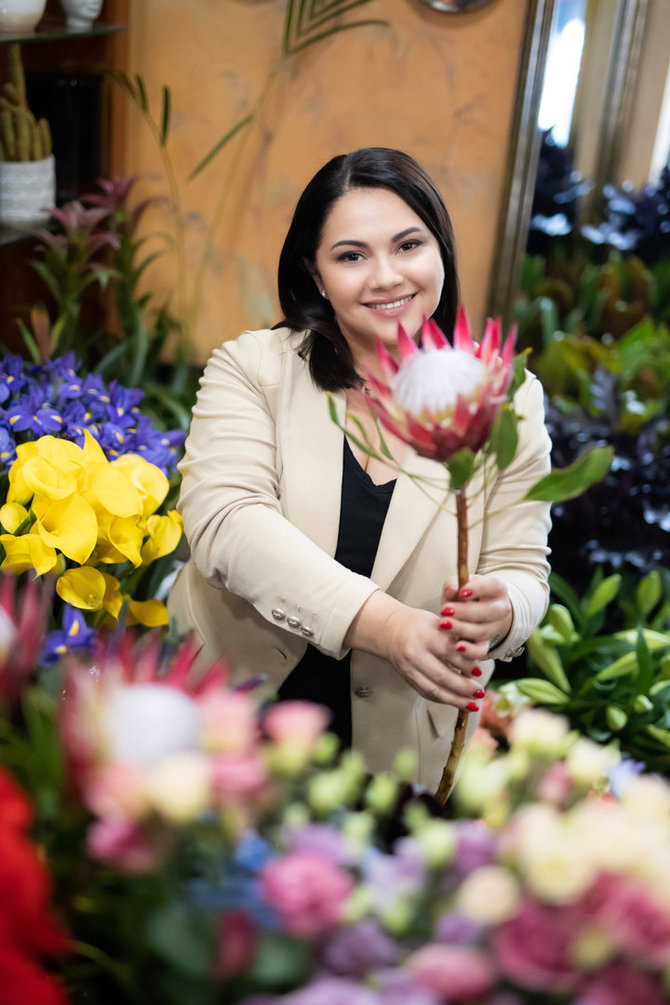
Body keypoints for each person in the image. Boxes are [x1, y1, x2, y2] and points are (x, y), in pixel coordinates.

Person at [168, 147, 551, 791]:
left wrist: (506, 608)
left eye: (408, 245)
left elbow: (525, 569)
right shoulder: (254, 368)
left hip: (395, 745)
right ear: (315, 276)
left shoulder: (506, 396)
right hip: (229, 712)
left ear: (440, 254)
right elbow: (226, 525)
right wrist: (390, 625)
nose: (386, 277)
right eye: (351, 256)